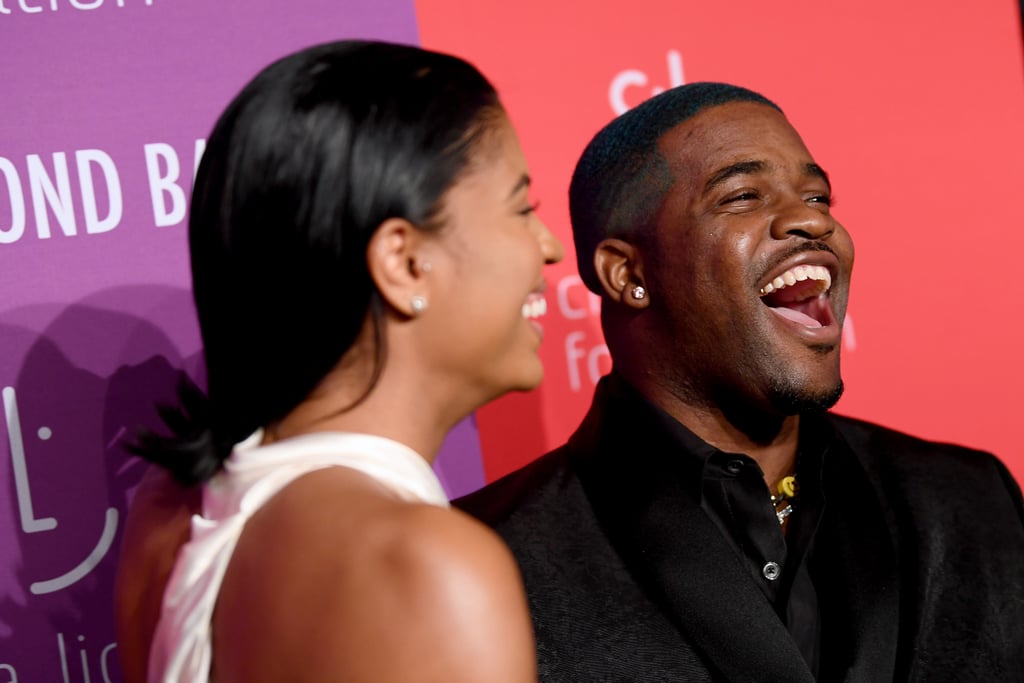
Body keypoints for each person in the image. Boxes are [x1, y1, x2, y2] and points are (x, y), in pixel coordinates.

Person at [457, 82, 1024, 682]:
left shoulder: (970, 501)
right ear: (628, 273)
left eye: (818, 196)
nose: (812, 219)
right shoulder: (490, 561)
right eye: (743, 195)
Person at [113, 39, 564, 682]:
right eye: (522, 208)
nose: (547, 248)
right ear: (404, 263)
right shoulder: (429, 566)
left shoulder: (167, 515)